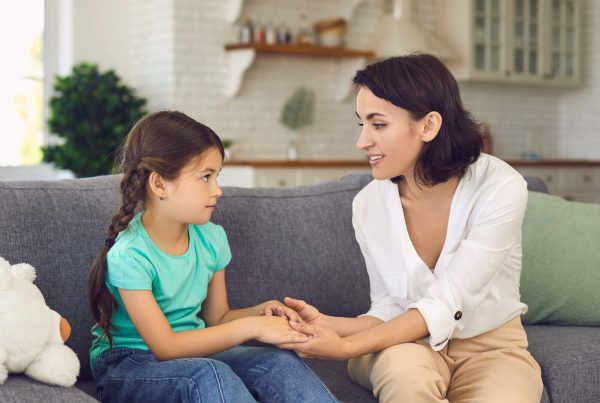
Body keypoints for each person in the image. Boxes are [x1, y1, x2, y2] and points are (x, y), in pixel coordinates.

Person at [276, 54, 543, 402]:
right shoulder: (368, 205)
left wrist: (344, 348)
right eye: (362, 124)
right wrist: (328, 325)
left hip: (490, 349)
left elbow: (447, 302)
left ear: (428, 126)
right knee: (405, 376)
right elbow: (389, 307)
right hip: (405, 344)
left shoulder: (500, 188)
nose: (362, 142)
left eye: (379, 124)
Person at [88, 111, 339, 403]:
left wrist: (262, 311)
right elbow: (166, 348)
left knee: (278, 362)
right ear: (159, 185)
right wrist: (251, 327)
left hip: (196, 353)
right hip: (129, 364)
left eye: (217, 176)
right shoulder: (130, 255)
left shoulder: (211, 238)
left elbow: (217, 317)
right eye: (205, 177)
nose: (217, 190)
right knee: (209, 374)